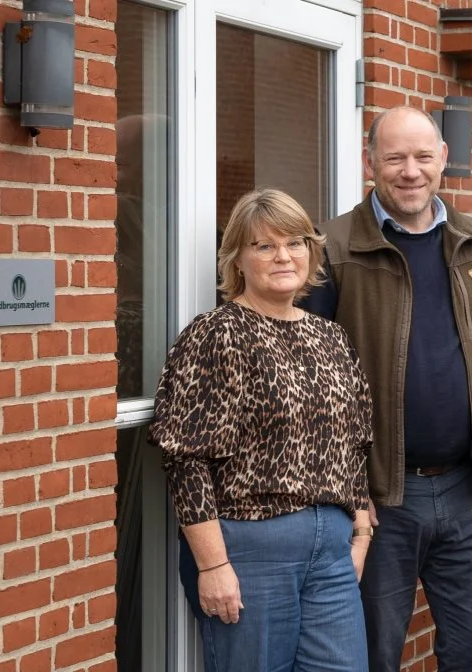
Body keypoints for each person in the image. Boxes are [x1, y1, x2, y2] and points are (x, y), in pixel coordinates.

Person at [303, 106, 472, 671]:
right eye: (395, 158)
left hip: (466, 491)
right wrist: (347, 490)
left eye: (423, 157)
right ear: (370, 162)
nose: (410, 171)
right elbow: (308, 384)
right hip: (379, 498)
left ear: (443, 160)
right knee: (373, 652)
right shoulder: (332, 248)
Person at [151, 188, 374, 672]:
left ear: (311, 252)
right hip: (252, 548)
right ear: (237, 260)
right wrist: (212, 566)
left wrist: (359, 535)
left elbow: (354, 439)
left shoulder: (329, 336)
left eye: (295, 242)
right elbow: (185, 459)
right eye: (263, 245)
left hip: (331, 548)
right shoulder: (215, 333)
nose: (283, 256)